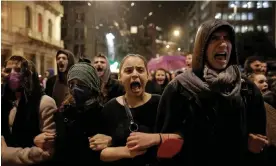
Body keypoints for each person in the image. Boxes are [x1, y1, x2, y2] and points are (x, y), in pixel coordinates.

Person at [155, 19, 268, 165]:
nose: (222, 43)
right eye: (214, 38)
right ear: (201, 46)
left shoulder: (247, 89)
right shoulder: (179, 88)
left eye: (227, 38)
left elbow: (259, 141)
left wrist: (250, 142)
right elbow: (164, 141)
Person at [36, 62, 111, 165]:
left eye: (80, 84)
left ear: (92, 84)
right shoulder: (63, 113)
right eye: (72, 84)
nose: (75, 88)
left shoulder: (105, 113)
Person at [100, 54, 161, 166]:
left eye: (140, 70)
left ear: (147, 75)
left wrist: (155, 139)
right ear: (120, 77)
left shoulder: (161, 103)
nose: (134, 74)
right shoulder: (110, 108)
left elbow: (178, 138)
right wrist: (126, 152)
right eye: (128, 71)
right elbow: (101, 153)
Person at [1, 55, 57, 166]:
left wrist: (5, 155)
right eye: (8, 70)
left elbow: (47, 152)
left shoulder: (44, 102)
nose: (12, 74)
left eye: (18, 70)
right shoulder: (4, 102)